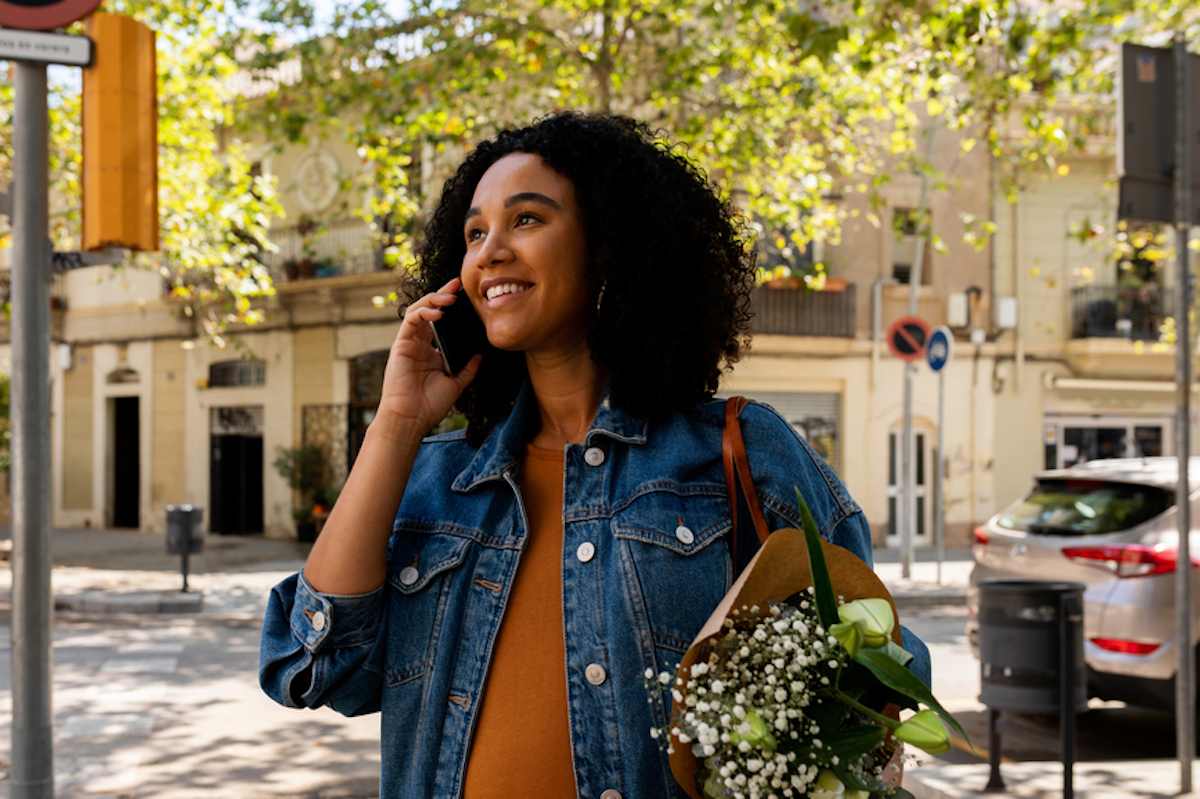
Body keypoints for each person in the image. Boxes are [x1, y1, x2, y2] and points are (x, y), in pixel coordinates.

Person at [258, 111, 931, 799]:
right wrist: (396, 421)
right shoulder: (438, 478)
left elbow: (875, 673)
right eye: (474, 231)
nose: (490, 250)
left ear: (608, 245)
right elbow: (317, 668)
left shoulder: (744, 452)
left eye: (526, 219)